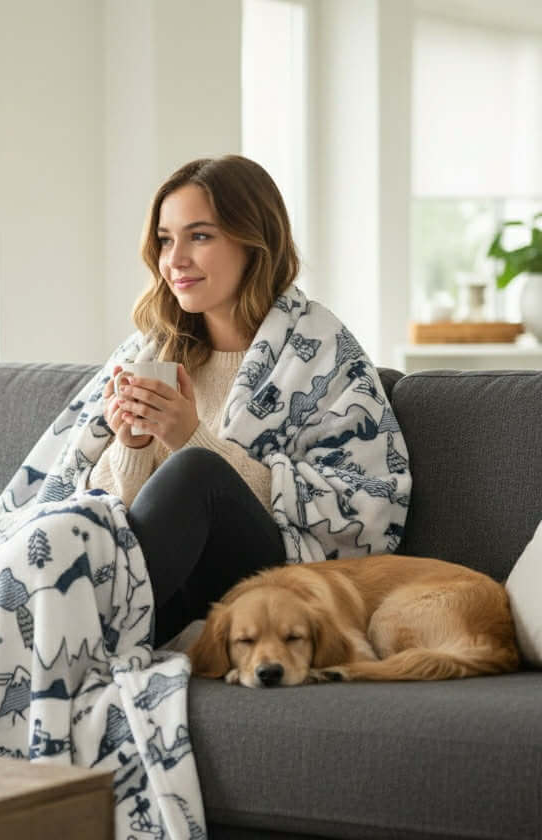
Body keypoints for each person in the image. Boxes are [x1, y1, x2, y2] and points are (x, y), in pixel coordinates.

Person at [87, 155, 411, 647]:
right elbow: (112, 510)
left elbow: (364, 508)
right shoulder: (152, 351)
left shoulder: (322, 351)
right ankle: (83, 622)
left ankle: (83, 628)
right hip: (169, 587)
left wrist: (187, 437)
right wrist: (130, 447)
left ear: (254, 242)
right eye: (165, 239)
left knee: (196, 468)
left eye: (200, 236)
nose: (175, 259)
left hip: (275, 583)